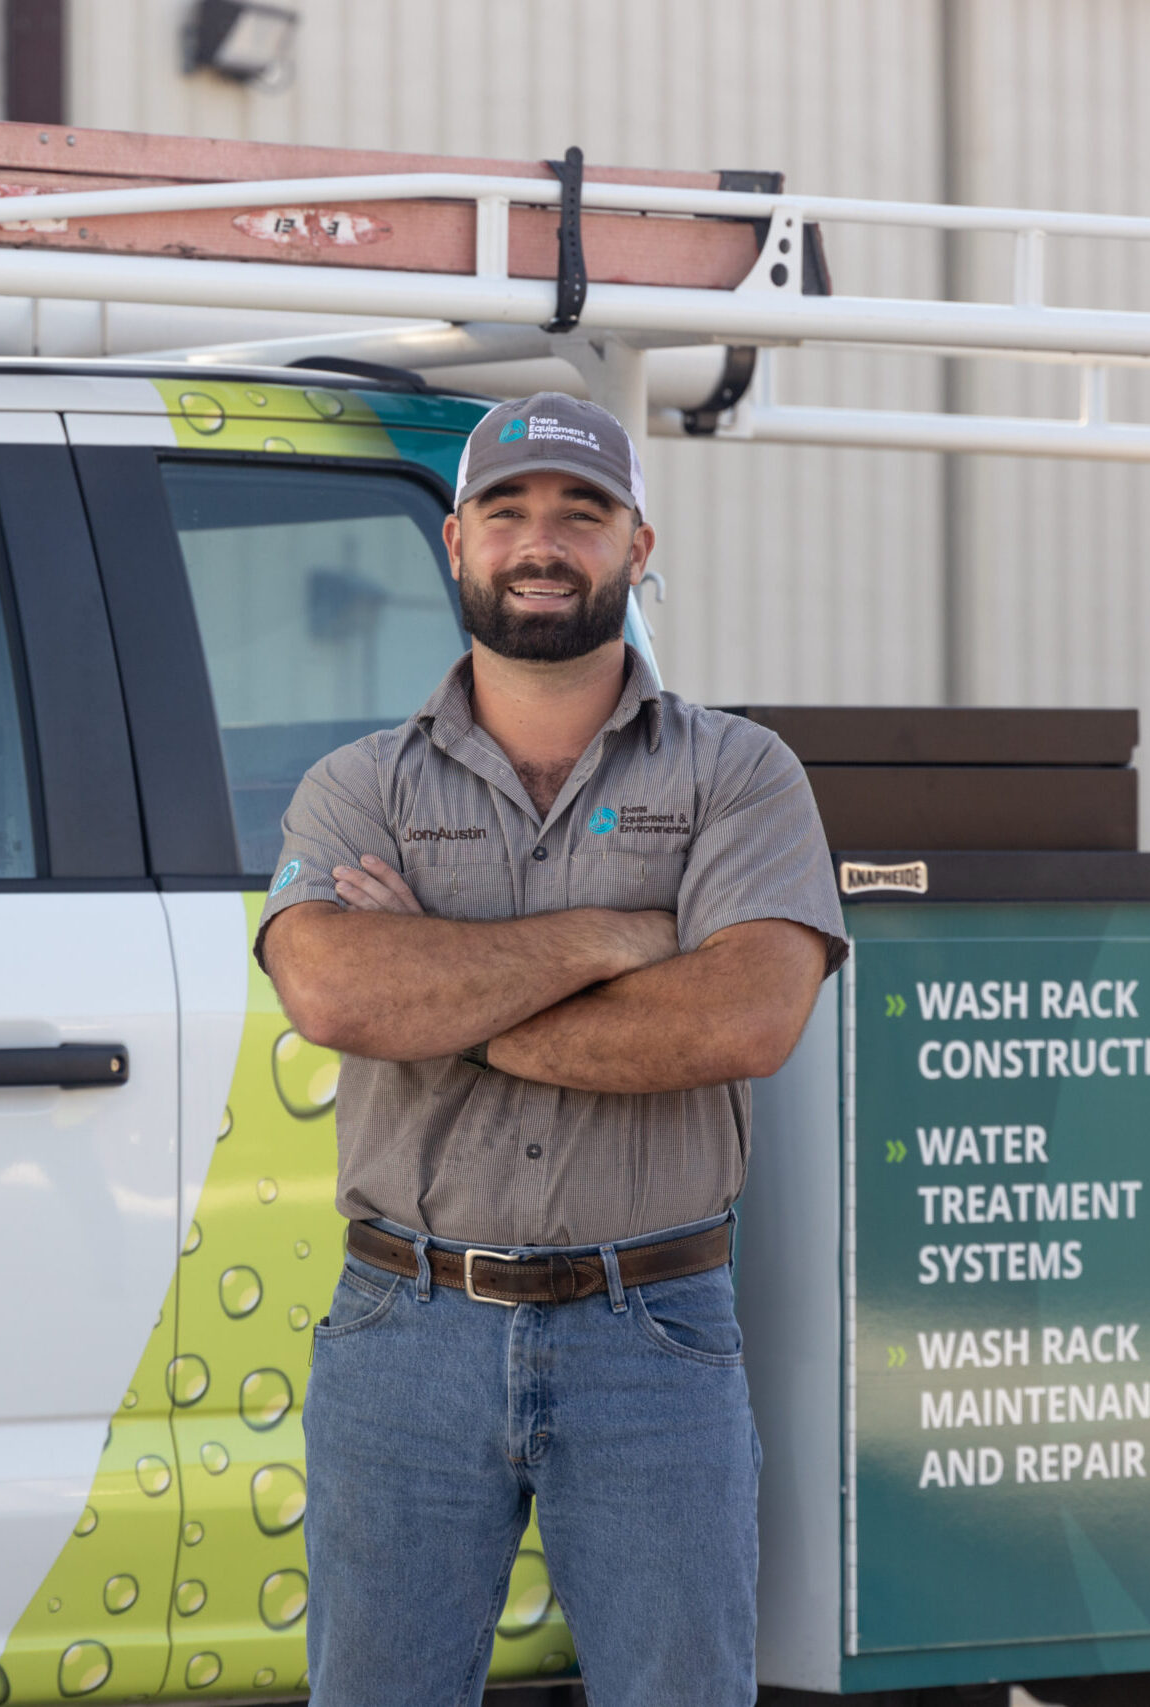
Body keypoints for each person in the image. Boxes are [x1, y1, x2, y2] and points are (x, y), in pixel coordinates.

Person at [256, 392, 847, 1707]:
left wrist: (445, 998)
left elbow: (741, 1020)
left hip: (653, 1333)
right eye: (508, 514)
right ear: (454, 543)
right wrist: (614, 936)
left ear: (637, 548)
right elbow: (335, 994)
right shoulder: (357, 787)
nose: (542, 542)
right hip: (402, 1330)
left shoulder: (741, 778)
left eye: (580, 514)